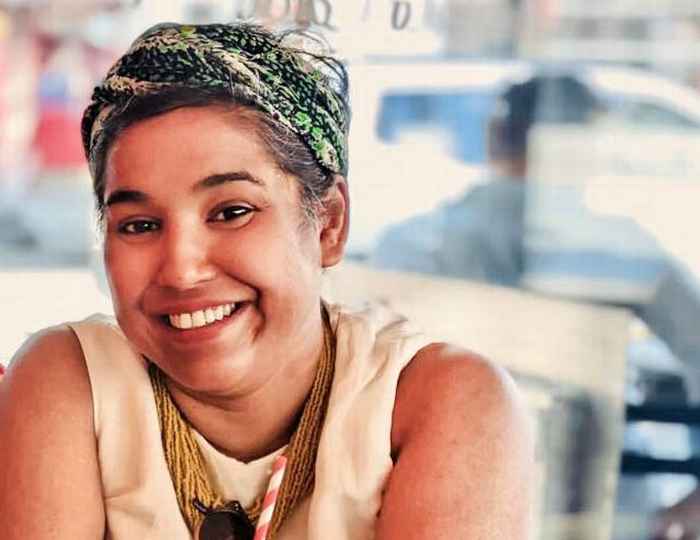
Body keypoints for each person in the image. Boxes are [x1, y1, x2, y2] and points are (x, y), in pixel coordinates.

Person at [0, 22, 533, 540]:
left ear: (328, 223)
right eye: (139, 225)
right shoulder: (70, 381)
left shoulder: (435, 402)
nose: (182, 269)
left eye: (232, 212)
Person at [371, 74, 700, 538]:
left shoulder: (409, 246)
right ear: (586, 151)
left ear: (493, 138)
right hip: (598, 509)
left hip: (431, 498)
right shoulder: (624, 252)